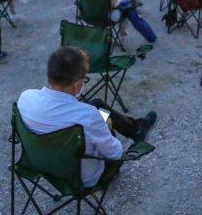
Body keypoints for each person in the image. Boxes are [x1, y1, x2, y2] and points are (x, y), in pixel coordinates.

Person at [17, 46, 157, 187]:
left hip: (43, 166)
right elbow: (115, 153)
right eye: (84, 78)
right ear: (77, 84)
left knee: (96, 104)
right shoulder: (88, 116)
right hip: (81, 178)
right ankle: (136, 130)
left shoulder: (25, 98)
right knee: (101, 116)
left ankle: (136, 129)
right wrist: (106, 127)